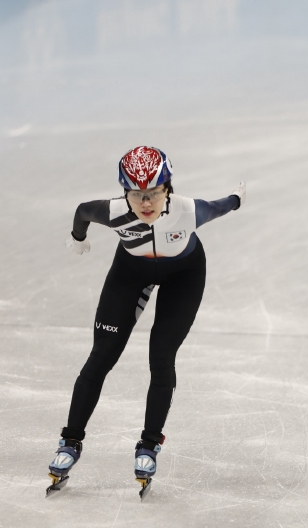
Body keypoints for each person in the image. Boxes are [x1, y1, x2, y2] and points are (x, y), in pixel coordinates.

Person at [46, 146, 245, 498]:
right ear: (126, 193)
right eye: (137, 195)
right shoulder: (113, 211)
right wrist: (79, 238)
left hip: (183, 276)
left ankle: (149, 445)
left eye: (153, 193)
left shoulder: (188, 210)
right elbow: (82, 212)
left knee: (161, 356)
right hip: (130, 273)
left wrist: (238, 197)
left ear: (167, 188)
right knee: (102, 356)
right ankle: (70, 441)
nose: (146, 203)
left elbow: (222, 206)